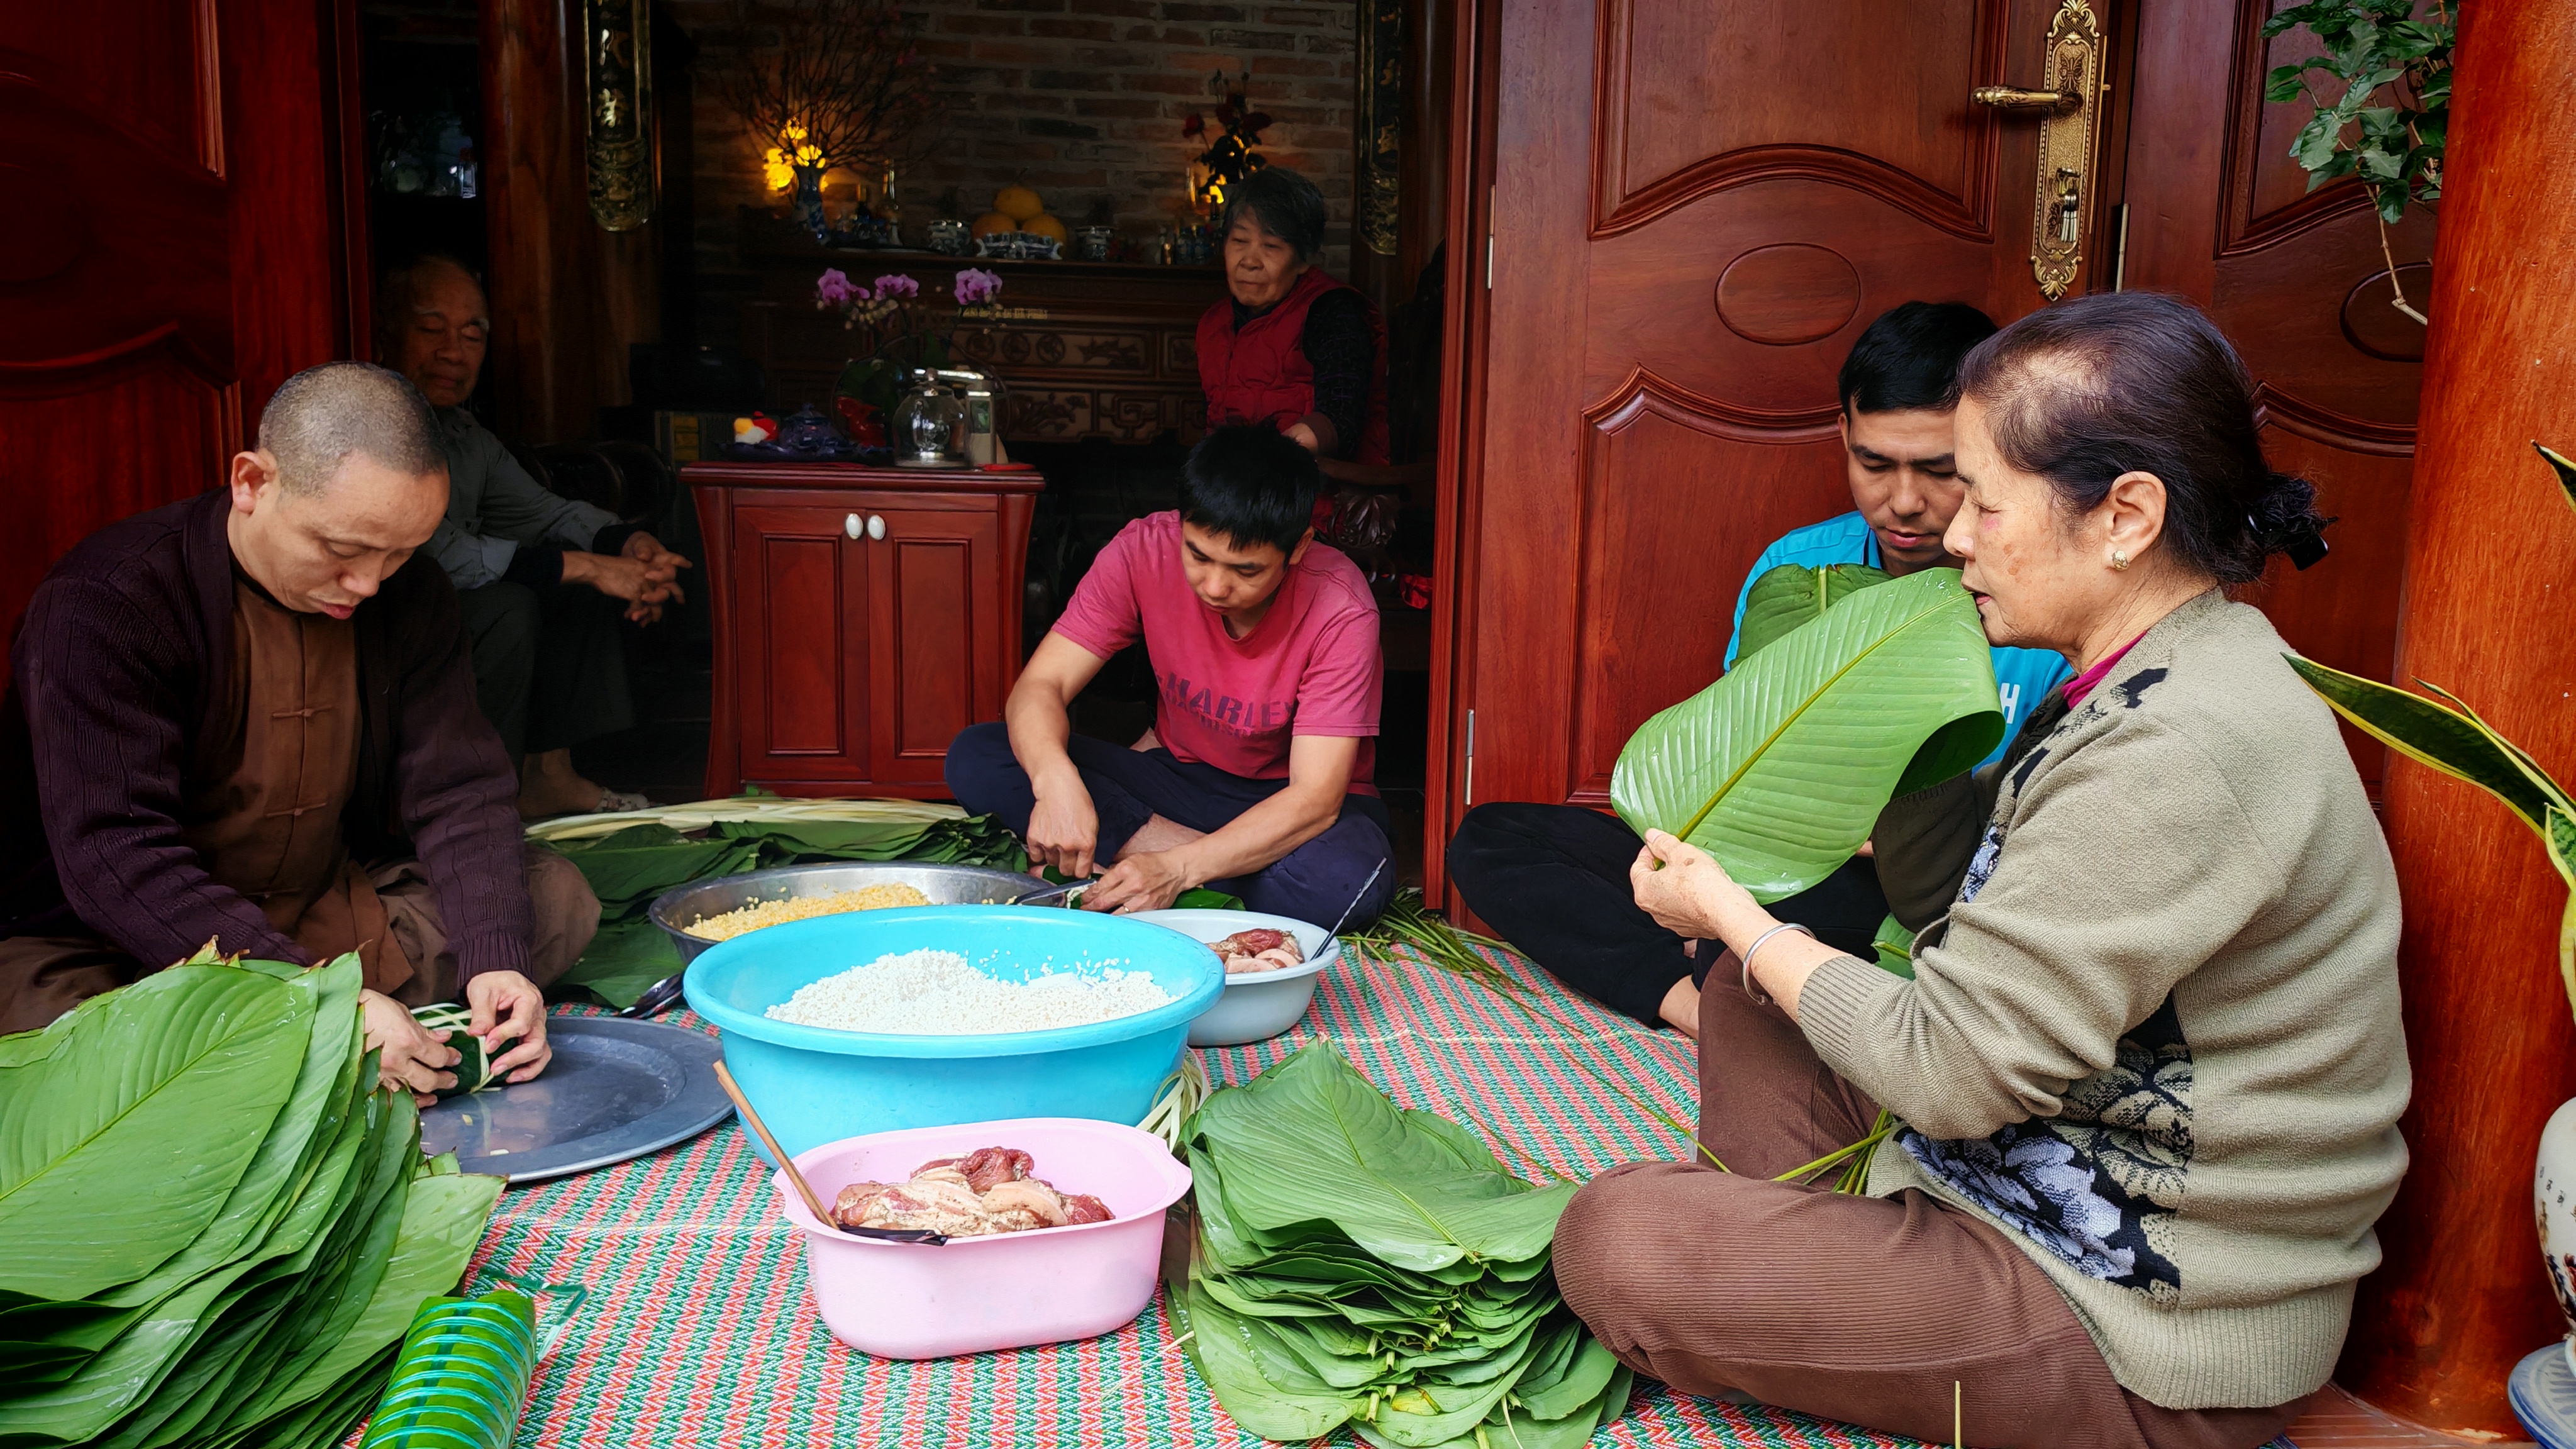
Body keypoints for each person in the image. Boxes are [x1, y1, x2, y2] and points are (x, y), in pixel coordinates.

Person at [1552, 293, 2401, 1449]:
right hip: (2021, 1164)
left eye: (1985, 503)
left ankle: (1817, 1285)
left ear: (2124, 516)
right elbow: (1956, 910)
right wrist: (1878, 729)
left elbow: (1951, 1072)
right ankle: (1828, 1280)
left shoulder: (2183, 745)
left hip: (2145, 1318)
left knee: (1614, 1239)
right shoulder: (2148, 665)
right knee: (1759, 995)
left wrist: (1731, 912)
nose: (1953, 536)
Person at [1446, 301, 2073, 1035]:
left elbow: (2009, 845)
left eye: (1939, 471)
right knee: (1493, 838)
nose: (1904, 502)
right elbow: (1737, 755)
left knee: (1826, 928)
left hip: (1910, 892)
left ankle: (1724, 968)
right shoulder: (1797, 571)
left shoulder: (2035, 602)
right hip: (1757, 861)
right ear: (1842, 434)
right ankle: (1698, 1007)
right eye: (1873, 464)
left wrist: (1807, 843)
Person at [0, 362, 601, 1104]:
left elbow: (460, 790)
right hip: (125, 945)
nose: (369, 584)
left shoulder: (409, 594)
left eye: (400, 553)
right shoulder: (109, 601)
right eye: (342, 551)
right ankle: (300, 1041)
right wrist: (317, 998)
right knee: (80, 1061)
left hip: (323, 909)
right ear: (252, 482)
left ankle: (300, 1051)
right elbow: (115, 856)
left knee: (550, 899)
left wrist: (496, 962)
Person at [944, 425, 1396, 926]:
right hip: (1180, 780)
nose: (1215, 586)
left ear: (1298, 547)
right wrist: (1056, 783)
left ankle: (1147, 872)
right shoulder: (1143, 551)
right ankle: (1218, 878)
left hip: (1289, 802)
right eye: (1198, 555)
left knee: (1347, 883)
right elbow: (1041, 685)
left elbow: (1315, 800)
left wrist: (1178, 868)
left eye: (1246, 571)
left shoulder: (1340, 607)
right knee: (979, 755)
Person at [379, 253, 692, 819]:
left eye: (472, 335)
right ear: (387, 334)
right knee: (512, 604)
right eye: (431, 330)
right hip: (378, 621)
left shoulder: (466, 437)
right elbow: (438, 553)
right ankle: (480, 802)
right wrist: (591, 567)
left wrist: (626, 547)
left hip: (442, 611)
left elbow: (543, 513)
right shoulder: (374, 428)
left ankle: (548, 777)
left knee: (574, 587)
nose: (454, 352)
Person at [1196, 166, 1391, 465]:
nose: (1250, 261)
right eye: (1239, 241)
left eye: (1271, 246)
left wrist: (1260, 466)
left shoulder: (1334, 312)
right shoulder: (1214, 324)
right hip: (1235, 486)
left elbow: (1341, 420)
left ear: (1304, 259)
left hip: (1313, 484)